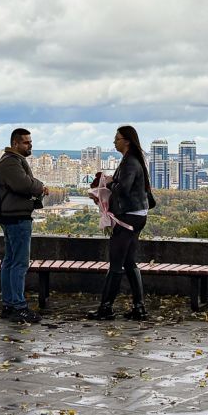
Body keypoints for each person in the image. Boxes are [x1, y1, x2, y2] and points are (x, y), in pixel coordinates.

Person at [86, 125, 155, 320]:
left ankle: (105, 308)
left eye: (117, 139)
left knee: (116, 263)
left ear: (127, 141)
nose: (114, 142)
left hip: (128, 217)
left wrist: (108, 183)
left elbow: (123, 188)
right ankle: (139, 307)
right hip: (137, 215)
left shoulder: (130, 162)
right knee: (129, 261)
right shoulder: (132, 160)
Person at [0, 128, 50, 323]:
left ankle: (9, 305)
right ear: (15, 143)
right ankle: (18, 307)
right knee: (19, 264)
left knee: (11, 262)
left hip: (13, 216)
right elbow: (24, 185)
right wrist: (40, 186)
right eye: (26, 142)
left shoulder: (12, 160)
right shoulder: (11, 162)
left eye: (30, 142)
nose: (30, 145)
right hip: (17, 218)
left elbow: (26, 182)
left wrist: (35, 184)